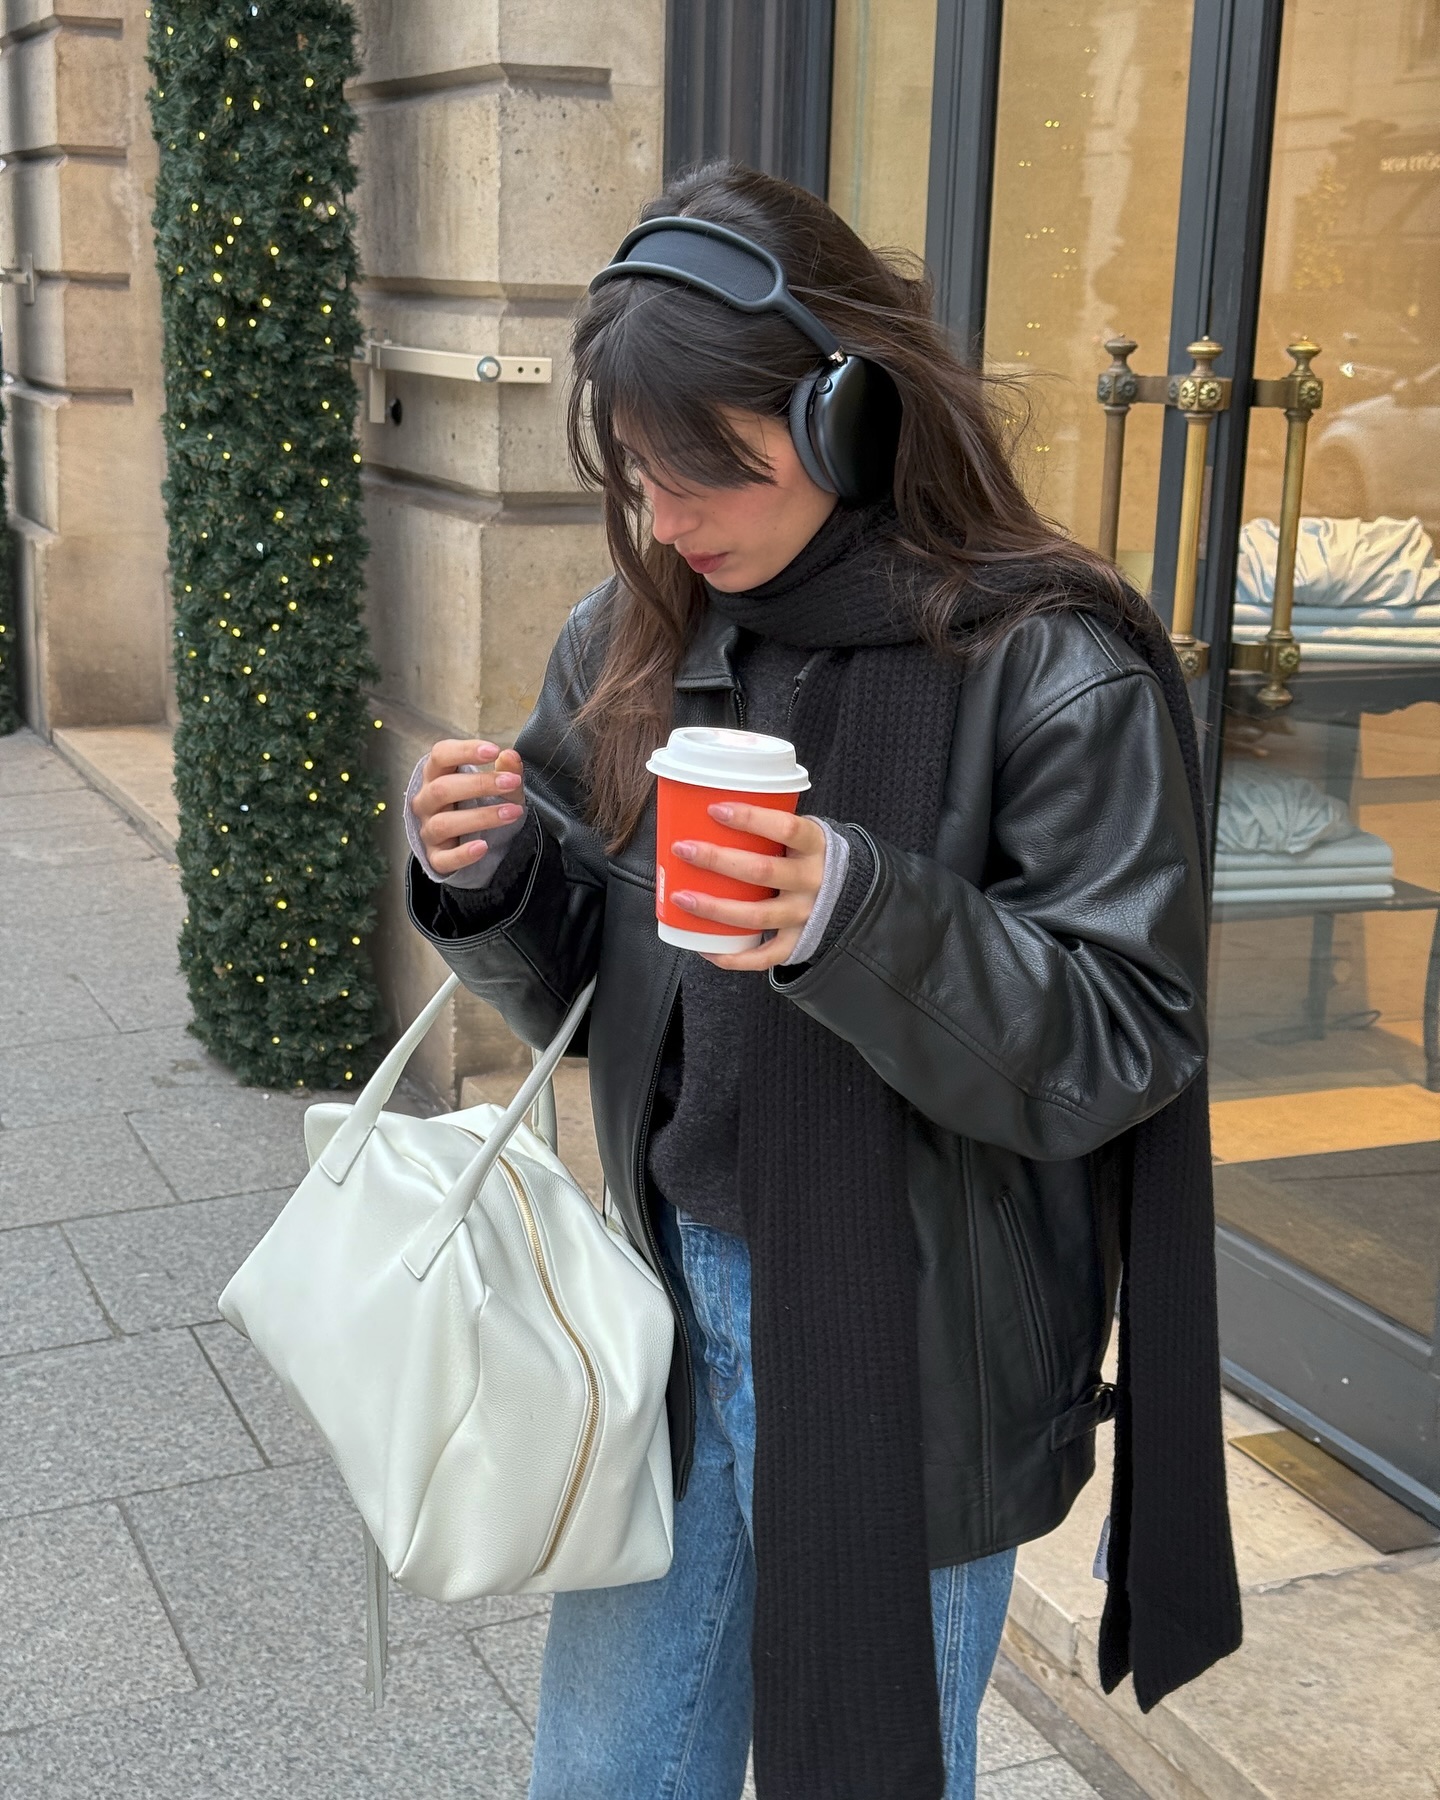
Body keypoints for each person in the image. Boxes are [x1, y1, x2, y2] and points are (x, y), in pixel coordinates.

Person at [405, 161, 1241, 1800]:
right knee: (607, 1775)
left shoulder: (1052, 666)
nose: (666, 520)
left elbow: (1122, 1041)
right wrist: (485, 878)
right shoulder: (636, 631)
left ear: (849, 415)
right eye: (638, 476)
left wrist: (855, 915)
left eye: (701, 472)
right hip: (672, 1305)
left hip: (907, 1337)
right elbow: (584, 975)